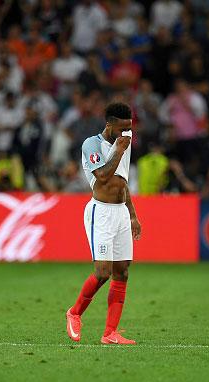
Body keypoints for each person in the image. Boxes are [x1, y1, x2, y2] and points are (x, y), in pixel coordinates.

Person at [66, 102, 141, 345]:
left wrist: (132, 214)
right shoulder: (92, 144)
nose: (126, 133)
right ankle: (75, 313)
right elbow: (103, 176)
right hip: (102, 212)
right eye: (122, 128)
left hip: (120, 212)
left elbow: (122, 181)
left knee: (122, 272)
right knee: (102, 272)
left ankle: (110, 333)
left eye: (129, 128)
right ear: (109, 124)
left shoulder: (125, 140)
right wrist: (118, 150)